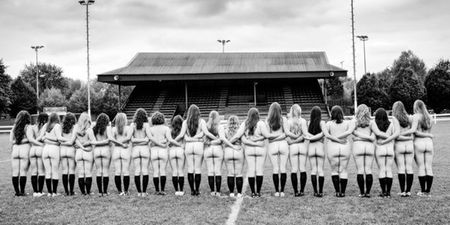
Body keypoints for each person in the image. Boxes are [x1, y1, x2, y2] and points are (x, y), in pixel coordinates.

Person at [230, 108, 279, 197]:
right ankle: (258, 192)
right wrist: (280, 135)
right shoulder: (261, 123)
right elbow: (267, 136)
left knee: (251, 170)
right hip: (260, 148)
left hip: (249, 149)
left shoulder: (245, 123)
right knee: (259, 170)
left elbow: (237, 136)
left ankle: (253, 192)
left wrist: (228, 142)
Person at [175, 104, 217, 196]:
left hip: (189, 146)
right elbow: (206, 133)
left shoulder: (185, 122)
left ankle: (192, 190)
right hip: (198, 145)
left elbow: (181, 135)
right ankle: (197, 190)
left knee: (190, 169)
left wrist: (172, 141)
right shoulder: (201, 121)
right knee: (197, 169)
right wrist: (216, 139)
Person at [324, 106, 355, 197]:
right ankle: (343, 192)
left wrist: (335, 139)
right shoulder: (347, 123)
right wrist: (340, 139)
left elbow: (327, 135)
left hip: (332, 147)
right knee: (343, 170)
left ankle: (337, 191)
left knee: (334, 170)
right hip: (344, 146)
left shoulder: (329, 123)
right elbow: (349, 132)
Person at [148, 111, 180, 195]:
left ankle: (156, 190)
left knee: (155, 171)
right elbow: (169, 139)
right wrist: (164, 141)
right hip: (163, 151)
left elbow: (150, 141)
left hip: (154, 150)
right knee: (162, 170)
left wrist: (157, 142)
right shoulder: (166, 128)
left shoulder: (150, 129)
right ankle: (162, 190)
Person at [371, 108, 400, 198]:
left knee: (382, 170)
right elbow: (394, 135)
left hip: (380, 148)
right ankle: (388, 192)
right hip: (390, 149)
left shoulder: (375, 124)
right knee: (389, 170)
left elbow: (374, 136)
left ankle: (383, 192)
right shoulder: (391, 124)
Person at [265, 102, 291, 197]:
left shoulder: (267, 121)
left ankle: (277, 191)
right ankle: (282, 191)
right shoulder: (283, 119)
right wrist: (280, 136)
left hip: (272, 145)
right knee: (283, 168)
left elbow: (268, 136)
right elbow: (286, 134)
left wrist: (274, 138)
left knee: (275, 168)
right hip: (283, 144)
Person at [392, 101, 417, 197]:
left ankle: (403, 191)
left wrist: (401, 135)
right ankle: (408, 191)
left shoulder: (395, 119)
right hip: (409, 145)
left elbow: (396, 135)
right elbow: (413, 131)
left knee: (401, 168)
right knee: (409, 168)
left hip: (400, 145)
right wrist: (409, 138)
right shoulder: (410, 118)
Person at [352, 104, 376, 198]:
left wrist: (358, 136)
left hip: (358, 146)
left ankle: (362, 192)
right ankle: (368, 192)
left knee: (360, 170)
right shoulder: (372, 122)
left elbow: (353, 135)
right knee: (369, 170)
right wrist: (368, 138)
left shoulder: (354, 122)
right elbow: (373, 138)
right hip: (369, 146)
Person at [412, 100, 434, 196]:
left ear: (416, 107)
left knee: (421, 167)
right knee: (428, 167)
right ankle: (427, 191)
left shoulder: (415, 117)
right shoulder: (430, 117)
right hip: (429, 143)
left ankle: (422, 191)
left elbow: (415, 132)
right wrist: (428, 136)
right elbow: (428, 132)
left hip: (419, 143)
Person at [286, 104, 308, 196]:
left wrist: (293, 142)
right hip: (302, 146)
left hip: (292, 147)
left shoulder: (288, 121)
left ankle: (296, 191)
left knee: (294, 169)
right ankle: (302, 190)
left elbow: (287, 136)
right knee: (302, 168)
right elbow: (305, 134)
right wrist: (299, 139)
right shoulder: (303, 121)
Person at [304, 106, 326, 197]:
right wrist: (316, 137)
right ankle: (320, 191)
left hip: (311, 147)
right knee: (320, 170)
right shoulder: (322, 122)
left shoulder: (309, 122)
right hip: (320, 146)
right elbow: (323, 134)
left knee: (313, 170)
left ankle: (315, 191)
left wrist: (311, 137)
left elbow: (306, 134)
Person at [10, 110, 32, 196]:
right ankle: (22, 191)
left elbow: (11, 141)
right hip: (24, 149)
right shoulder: (28, 126)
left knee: (15, 172)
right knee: (23, 171)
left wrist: (17, 141)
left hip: (15, 149)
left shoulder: (14, 127)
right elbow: (30, 139)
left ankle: (17, 192)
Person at [90, 113, 112, 196]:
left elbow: (93, 141)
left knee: (99, 171)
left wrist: (97, 143)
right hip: (105, 149)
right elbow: (109, 140)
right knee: (105, 171)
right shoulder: (107, 128)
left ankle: (100, 192)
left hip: (97, 150)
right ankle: (105, 192)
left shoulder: (94, 129)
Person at [130, 108, 151, 196]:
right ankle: (144, 192)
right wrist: (143, 140)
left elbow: (132, 140)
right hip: (145, 149)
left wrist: (136, 140)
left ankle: (139, 192)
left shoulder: (132, 125)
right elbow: (147, 139)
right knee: (145, 170)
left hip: (135, 149)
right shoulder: (146, 125)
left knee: (137, 171)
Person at [110, 113, 132, 196]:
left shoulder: (113, 129)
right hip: (125, 150)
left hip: (116, 150)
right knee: (126, 171)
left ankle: (119, 191)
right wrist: (122, 143)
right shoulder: (127, 128)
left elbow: (112, 139)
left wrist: (118, 143)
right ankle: (126, 191)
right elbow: (129, 138)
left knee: (117, 171)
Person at [223, 115, 244, 198]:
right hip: (238, 150)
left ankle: (231, 193)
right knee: (239, 173)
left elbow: (223, 141)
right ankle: (239, 193)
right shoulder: (239, 130)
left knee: (230, 173)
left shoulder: (225, 131)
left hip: (228, 151)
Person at [204, 111, 224, 196]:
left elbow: (204, 140)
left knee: (210, 171)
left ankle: (212, 191)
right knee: (217, 171)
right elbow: (221, 139)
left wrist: (210, 143)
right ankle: (218, 191)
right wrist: (215, 142)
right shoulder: (220, 126)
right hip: (217, 149)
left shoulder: (206, 126)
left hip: (208, 149)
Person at [42, 113, 62, 197]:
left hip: (45, 149)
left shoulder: (46, 125)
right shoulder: (57, 126)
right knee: (55, 171)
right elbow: (58, 139)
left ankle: (49, 192)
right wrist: (55, 142)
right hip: (54, 149)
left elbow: (42, 137)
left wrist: (47, 139)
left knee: (48, 171)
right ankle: (54, 192)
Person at [74, 112, 94, 195]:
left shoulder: (76, 129)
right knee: (88, 172)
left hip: (78, 152)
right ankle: (88, 192)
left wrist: (80, 145)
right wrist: (86, 144)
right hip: (87, 151)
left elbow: (74, 140)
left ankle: (83, 192)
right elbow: (93, 141)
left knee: (81, 173)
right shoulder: (89, 130)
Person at [29, 113, 47, 197]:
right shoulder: (46, 127)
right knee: (41, 171)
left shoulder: (32, 127)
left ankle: (35, 192)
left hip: (32, 149)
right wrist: (41, 144)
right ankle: (40, 191)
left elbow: (30, 139)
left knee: (33, 171)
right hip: (40, 149)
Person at [59, 113, 78, 196]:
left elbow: (59, 139)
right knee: (71, 171)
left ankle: (66, 191)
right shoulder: (74, 127)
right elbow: (72, 141)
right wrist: (69, 142)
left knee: (64, 171)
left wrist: (64, 142)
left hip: (62, 150)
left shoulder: (61, 127)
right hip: (71, 150)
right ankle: (71, 191)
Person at [169, 115, 185, 196]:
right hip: (180, 150)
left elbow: (168, 142)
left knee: (174, 171)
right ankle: (181, 190)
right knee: (181, 171)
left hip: (172, 151)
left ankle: (176, 190)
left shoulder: (170, 131)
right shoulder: (183, 130)